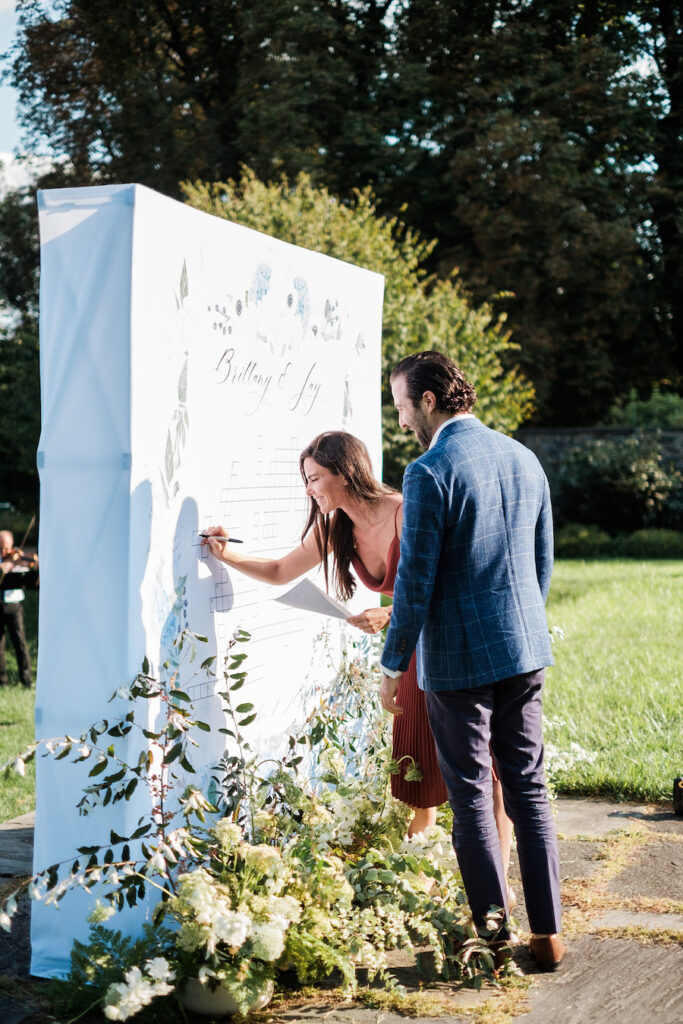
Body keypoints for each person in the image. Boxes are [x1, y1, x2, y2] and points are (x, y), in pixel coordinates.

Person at [201, 431, 513, 859]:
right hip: (409, 655)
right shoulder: (336, 527)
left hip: (454, 643)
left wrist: (388, 614)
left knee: (487, 769)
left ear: (345, 474)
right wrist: (225, 554)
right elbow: (278, 571)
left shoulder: (405, 512)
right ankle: (422, 876)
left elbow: (447, 585)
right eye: (306, 480)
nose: (308, 490)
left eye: (314, 478)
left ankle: (499, 879)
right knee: (418, 771)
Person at [379, 352, 564, 971]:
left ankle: (495, 936)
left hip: (457, 663)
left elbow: (414, 583)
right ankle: (548, 934)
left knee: (471, 796)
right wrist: (520, 630)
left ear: (428, 401)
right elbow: (542, 562)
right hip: (523, 648)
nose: (401, 420)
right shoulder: (524, 457)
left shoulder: (428, 472)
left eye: (402, 406)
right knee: (528, 787)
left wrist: (392, 665)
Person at [0, 530, 34, 688]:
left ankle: (26, 680)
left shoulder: (18, 558)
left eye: (6, 548)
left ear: (12, 545)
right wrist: (6, 565)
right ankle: (2, 682)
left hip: (14, 606)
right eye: (0, 548)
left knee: (20, 643)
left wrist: (22, 562)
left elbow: (31, 568)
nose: (4, 552)